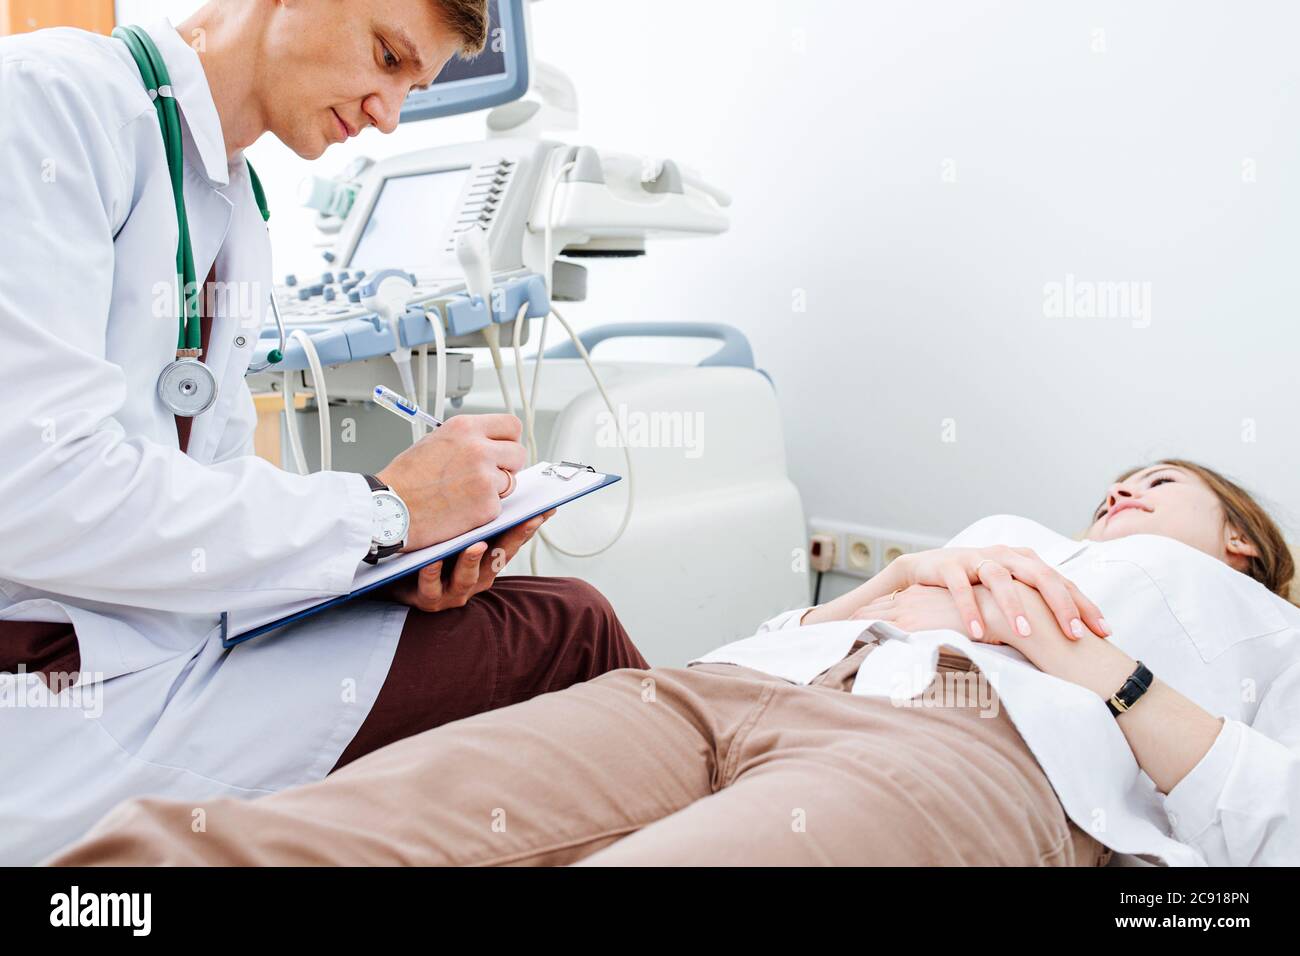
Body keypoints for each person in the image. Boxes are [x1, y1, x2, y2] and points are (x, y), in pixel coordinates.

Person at [0, 0, 646, 866]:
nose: (388, 116)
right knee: (566, 638)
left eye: (411, 87)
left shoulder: (232, 201)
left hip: (158, 641)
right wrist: (381, 511)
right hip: (61, 691)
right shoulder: (51, 105)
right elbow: (41, 489)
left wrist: (386, 570)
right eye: (386, 58)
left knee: (563, 613)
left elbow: (208, 507)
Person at [50, 460, 1299, 866]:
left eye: (1163, 482)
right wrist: (889, 585)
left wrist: (1112, 679)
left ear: (1236, 540)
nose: (1125, 488)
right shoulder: (1009, 536)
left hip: (972, 747)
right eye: (1116, 478)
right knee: (321, 829)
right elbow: (820, 620)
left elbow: (1275, 824)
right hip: (732, 684)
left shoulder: (1260, 630)